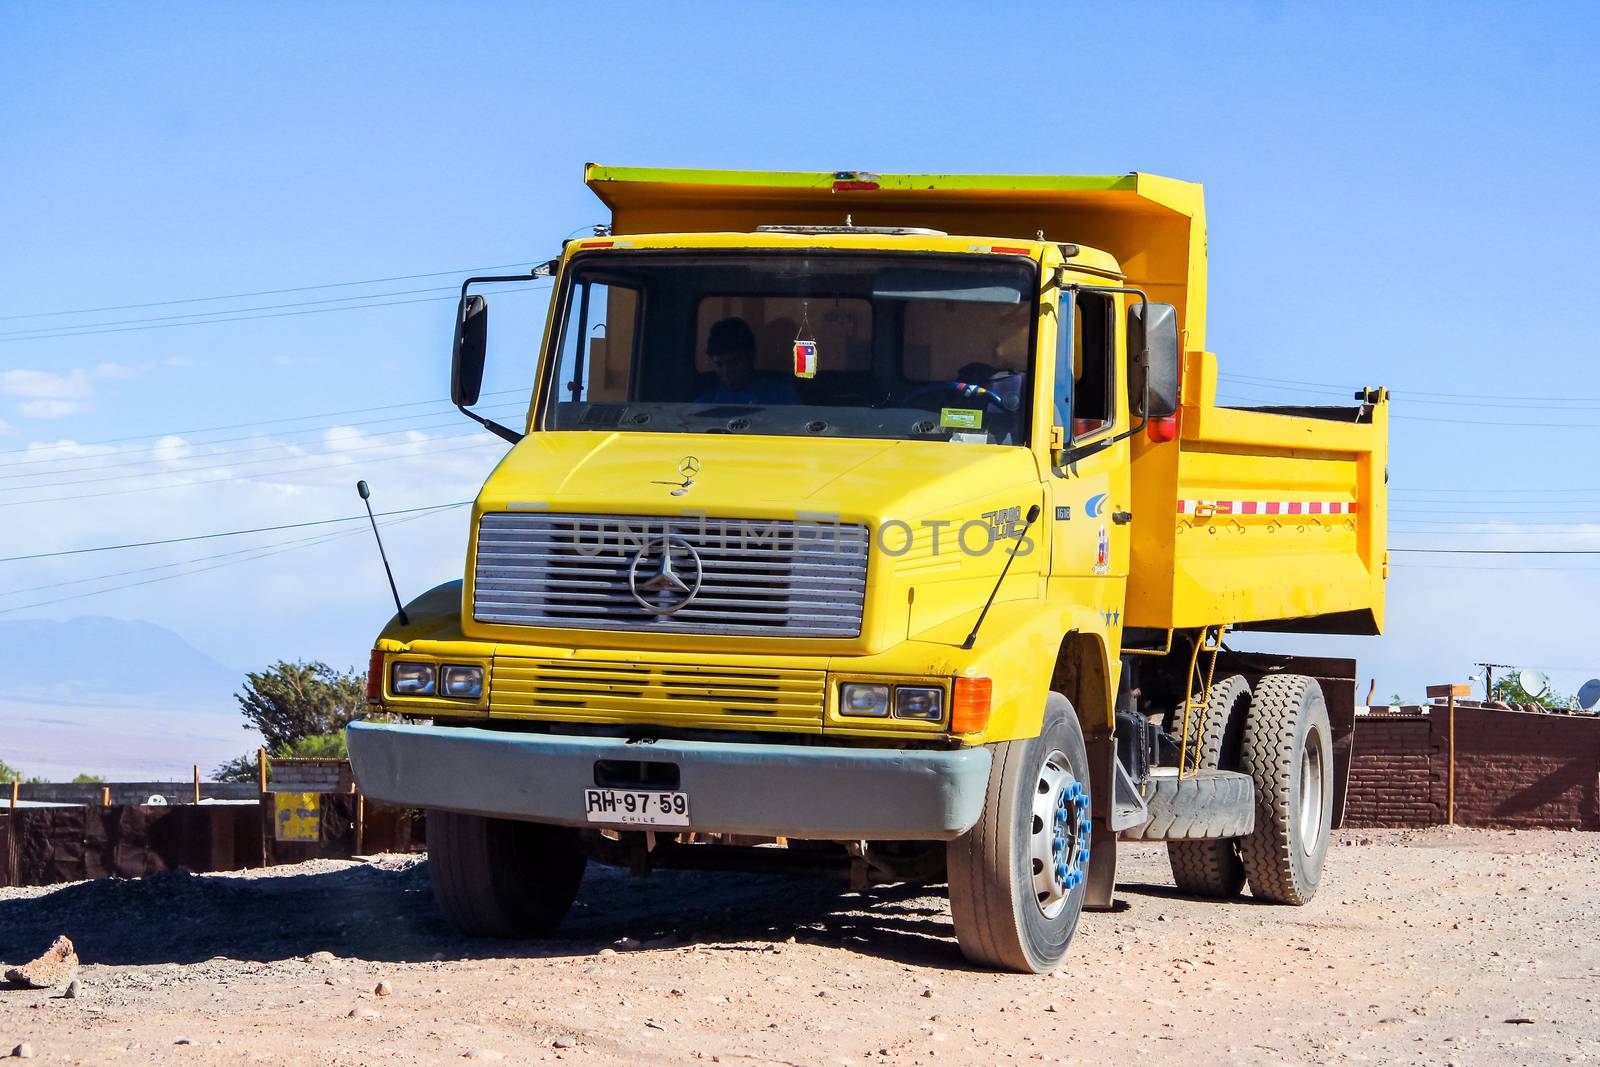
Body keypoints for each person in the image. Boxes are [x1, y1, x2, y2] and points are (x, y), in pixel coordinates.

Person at [695, 317, 799, 404]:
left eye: (734, 363)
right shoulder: (705, 404)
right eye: (719, 364)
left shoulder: (782, 397)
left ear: (751, 356)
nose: (727, 372)